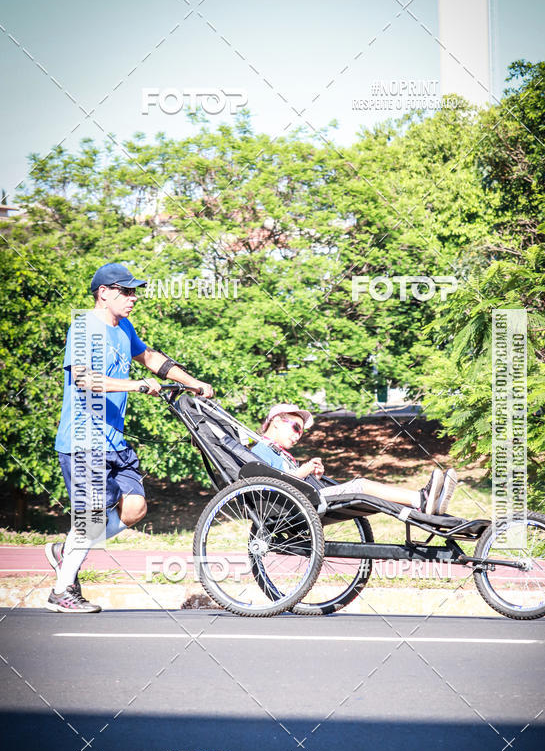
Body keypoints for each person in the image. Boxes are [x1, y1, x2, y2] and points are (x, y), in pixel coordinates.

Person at [46, 262, 214, 613]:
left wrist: (192, 382)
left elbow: (151, 357)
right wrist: (135, 385)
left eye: (134, 291)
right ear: (103, 293)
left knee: (135, 508)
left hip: (113, 441)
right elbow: (83, 379)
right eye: (126, 291)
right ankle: (62, 593)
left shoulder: (124, 327)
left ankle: (66, 552)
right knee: (91, 519)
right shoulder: (83, 328)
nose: (133, 298)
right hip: (83, 440)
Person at [251, 403, 457, 515]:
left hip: (307, 499)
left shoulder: (277, 451)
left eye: (302, 432)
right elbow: (274, 485)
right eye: (296, 427)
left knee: (362, 488)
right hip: (294, 506)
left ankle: (426, 502)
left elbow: (288, 478)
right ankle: (420, 499)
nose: (298, 435)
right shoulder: (262, 450)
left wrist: (314, 476)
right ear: (277, 421)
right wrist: (301, 473)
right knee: (361, 485)